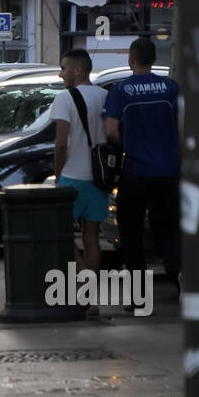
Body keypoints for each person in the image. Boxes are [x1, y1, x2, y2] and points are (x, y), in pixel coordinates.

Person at [102, 36, 181, 297]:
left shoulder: (121, 90)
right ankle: (180, 277)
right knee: (169, 229)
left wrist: (129, 144)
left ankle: (138, 296)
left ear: (130, 59)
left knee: (131, 232)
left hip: (135, 171)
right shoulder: (170, 87)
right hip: (169, 170)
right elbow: (182, 125)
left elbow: (110, 129)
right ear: (154, 59)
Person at [50, 47, 111, 319]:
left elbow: (61, 142)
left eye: (63, 68)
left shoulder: (64, 99)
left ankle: (83, 277)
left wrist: (57, 172)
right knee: (92, 237)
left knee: (60, 233)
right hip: (99, 179)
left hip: (72, 178)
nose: (60, 73)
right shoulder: (105, 96)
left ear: (77, 69)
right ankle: (92, 299)